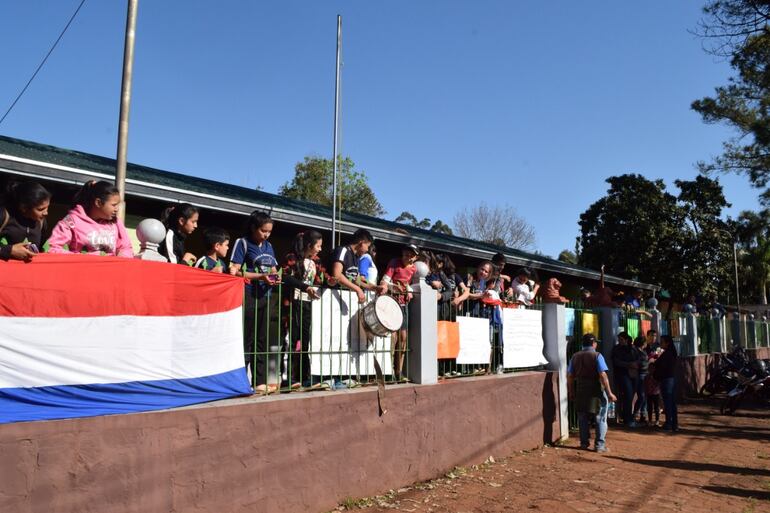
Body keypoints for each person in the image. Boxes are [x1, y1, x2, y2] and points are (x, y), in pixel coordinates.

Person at [229, 210, 279, 392]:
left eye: (269, 232)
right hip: (248, 295)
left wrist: (274, 277)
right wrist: (260, 276)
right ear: (253, 228)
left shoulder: (269, 246)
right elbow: (234, 270)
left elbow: (273, 269)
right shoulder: (242, 243)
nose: (266, 235)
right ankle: (242, 380)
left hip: (266, 296)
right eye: (263, 231)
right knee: (247, 339)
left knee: (262, 339)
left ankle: (260, 381)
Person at [47, 180, 133, 258]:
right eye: (114, 205)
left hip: (110, 271)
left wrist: (122, 257)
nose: (117, 209)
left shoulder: (116, 223)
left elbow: (126, 248)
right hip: (82, 272)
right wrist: (84, 257)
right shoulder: (71, 221)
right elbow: (52, 248)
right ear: (98, 203)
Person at [282, 230, 322, 388]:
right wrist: (305, 287)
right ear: (309, 245)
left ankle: (305, 377)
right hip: (293, 302)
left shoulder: (316, 261)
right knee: (291, 340)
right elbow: (285, 277)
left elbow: (319, 280)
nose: (319, 249)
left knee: (307, 342)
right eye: (318, 246)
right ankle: (287, 379)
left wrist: (330, 281)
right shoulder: (292, 258)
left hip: (309, 304)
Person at [567, 333, 618, 453]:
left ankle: (584, 443)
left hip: (580, 389)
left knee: (582, 417)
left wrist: (571, 392)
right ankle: (599, 445)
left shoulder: (575, 356)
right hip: (596, 390)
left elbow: (570, 376)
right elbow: (603, 375)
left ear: (583, 344)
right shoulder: (597, 355)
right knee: (600, 417)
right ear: (594, 344)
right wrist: (610, 393)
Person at [378, 244, 419, 381]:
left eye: (411, 255)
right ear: (402, 254)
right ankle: (389, 372)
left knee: (403, 338)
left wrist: (410, 292)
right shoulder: (394, 262)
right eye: (406, 254)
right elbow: (384, 281)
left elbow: (411, 286)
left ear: (415, 257)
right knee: (393, 337)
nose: (408, 257)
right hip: (391, 303)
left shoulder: (414, 269)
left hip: (403, 305)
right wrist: (393, 287)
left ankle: (399, 371)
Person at [0, 181, 51, 261]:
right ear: (23, 208)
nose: (46, 213)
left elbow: (44, 249)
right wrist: (10, 251)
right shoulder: (4, 216)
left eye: (47, 208)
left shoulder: (41, 222)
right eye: (40, 209)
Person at [329, 228, 373, 304]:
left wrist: (375, 287)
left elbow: (357, 280)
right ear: (361, 243)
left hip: (343, 301)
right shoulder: (343, 250)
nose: (367, 250)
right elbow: (337, 275)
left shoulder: (355, 258)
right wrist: (358, 289)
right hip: (330, 299)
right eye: (368, 246)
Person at [611, 331, 638, 428]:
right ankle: (627, 418)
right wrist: (628, 364)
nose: (619, 341)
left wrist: (635, 364)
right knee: (628, 395)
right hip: (622, 374)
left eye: (621, 339)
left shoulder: (632, 348)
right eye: (619, 339)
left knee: (631, 396)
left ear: (626, 340)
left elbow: (638, 358)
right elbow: (615, 361)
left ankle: (628, 416)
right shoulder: (617, 349)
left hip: (632, 374)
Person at [654, 334, 679, 432]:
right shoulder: (671, 353)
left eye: (662, 342)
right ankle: (674, 424)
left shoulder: (667, 354)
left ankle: (669, 423)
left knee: (668, 403)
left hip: (666, 380)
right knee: (672, 403)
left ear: (667, 343)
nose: (660, 344)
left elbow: (661, 366)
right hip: (671, 380)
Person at [631, 336, 650, 424]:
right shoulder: (635, 351)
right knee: (641, 395)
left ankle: (643, 414)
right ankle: (635, 414)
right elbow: (639, 363)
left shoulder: (643, 351)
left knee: (644, 396)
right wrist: (649, 362)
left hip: (645, 374)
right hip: (640, 375)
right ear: (643, 343)